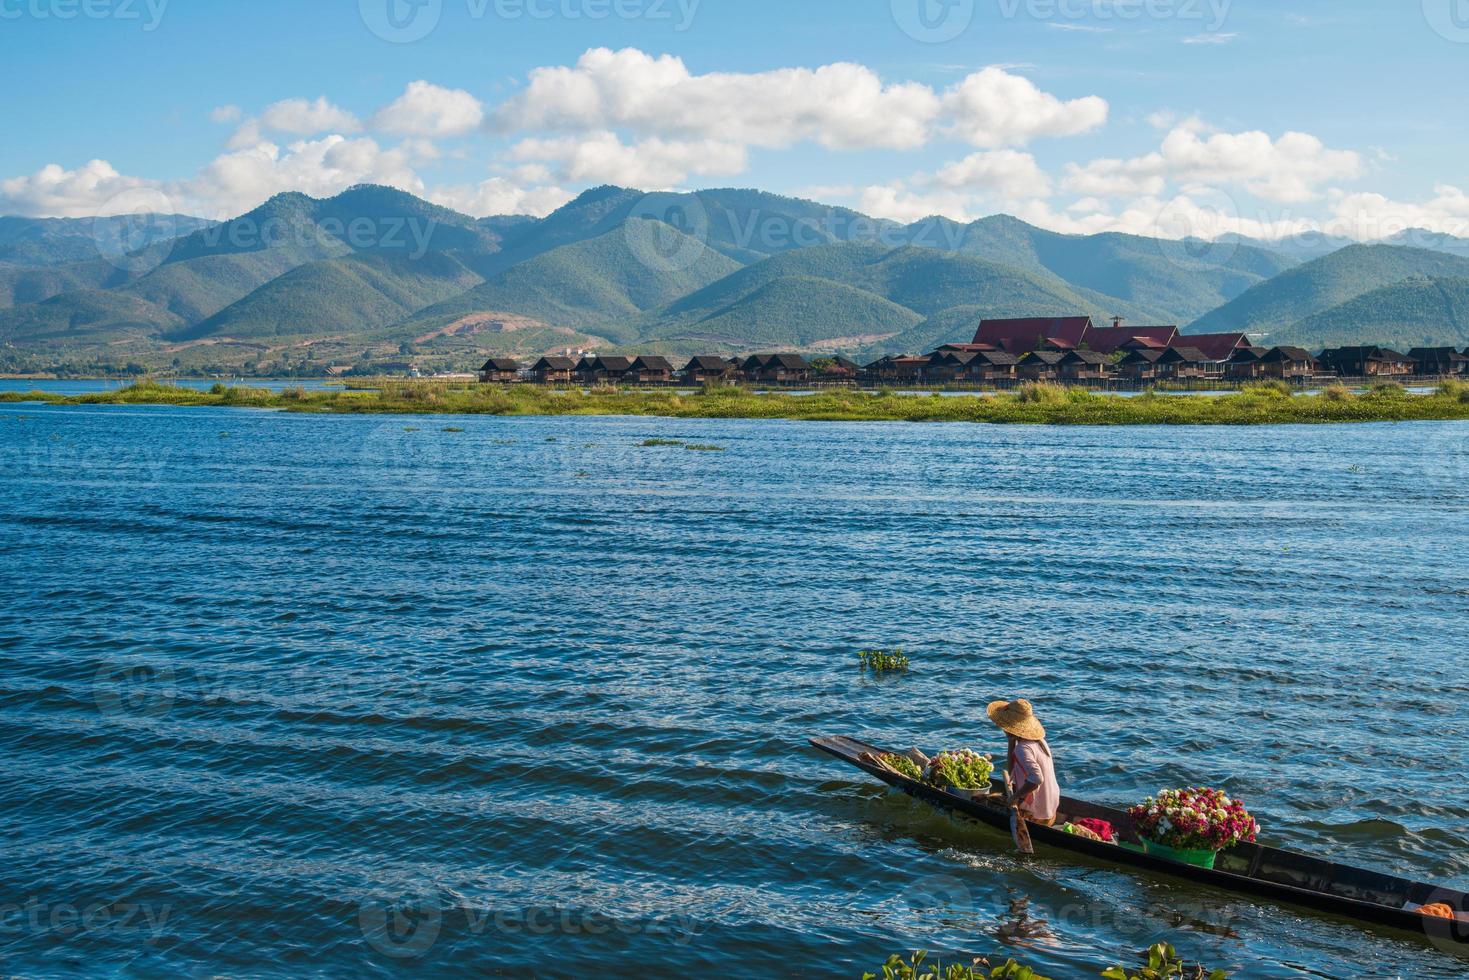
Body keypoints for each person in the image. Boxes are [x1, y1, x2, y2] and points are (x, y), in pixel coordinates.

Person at [987, 698, 1060, 827]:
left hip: (1037, 816)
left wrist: (1015, 796)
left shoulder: (1023, 748)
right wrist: (1011, 742)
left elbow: (1037, 779)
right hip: (1051, 811)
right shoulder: (1040, 741)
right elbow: (1011, 772)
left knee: (984, 801)